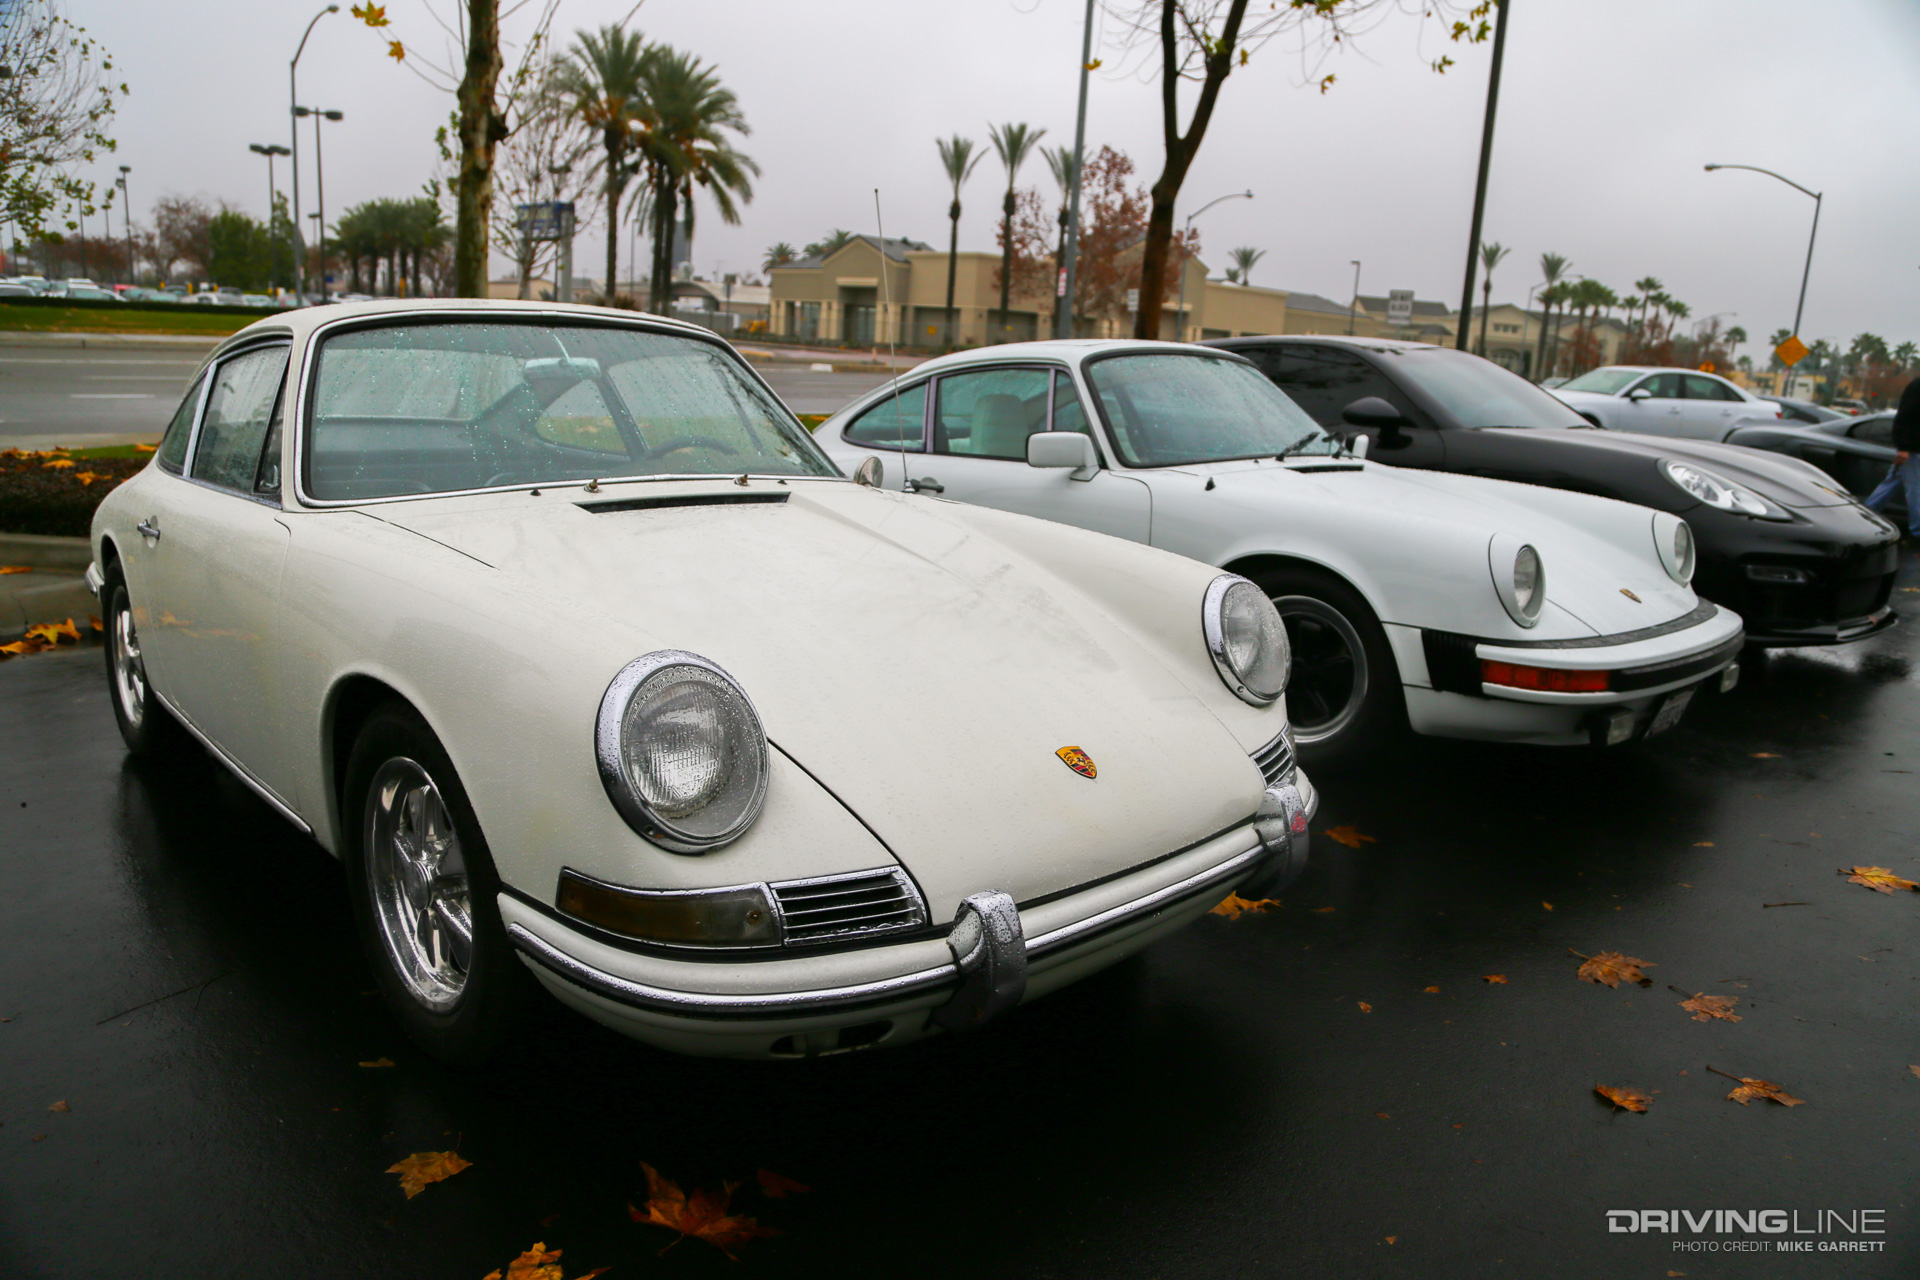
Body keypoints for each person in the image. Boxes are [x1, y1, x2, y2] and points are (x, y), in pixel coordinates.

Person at [1865, 375, 1920, 538]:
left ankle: (1864, 515)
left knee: (1890, 486)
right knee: (1916, 493)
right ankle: (1918, 532)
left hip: (1913, 450)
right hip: (1914, 451)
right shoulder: (1917, 387)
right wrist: (1904, 447)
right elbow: (1905, 417)